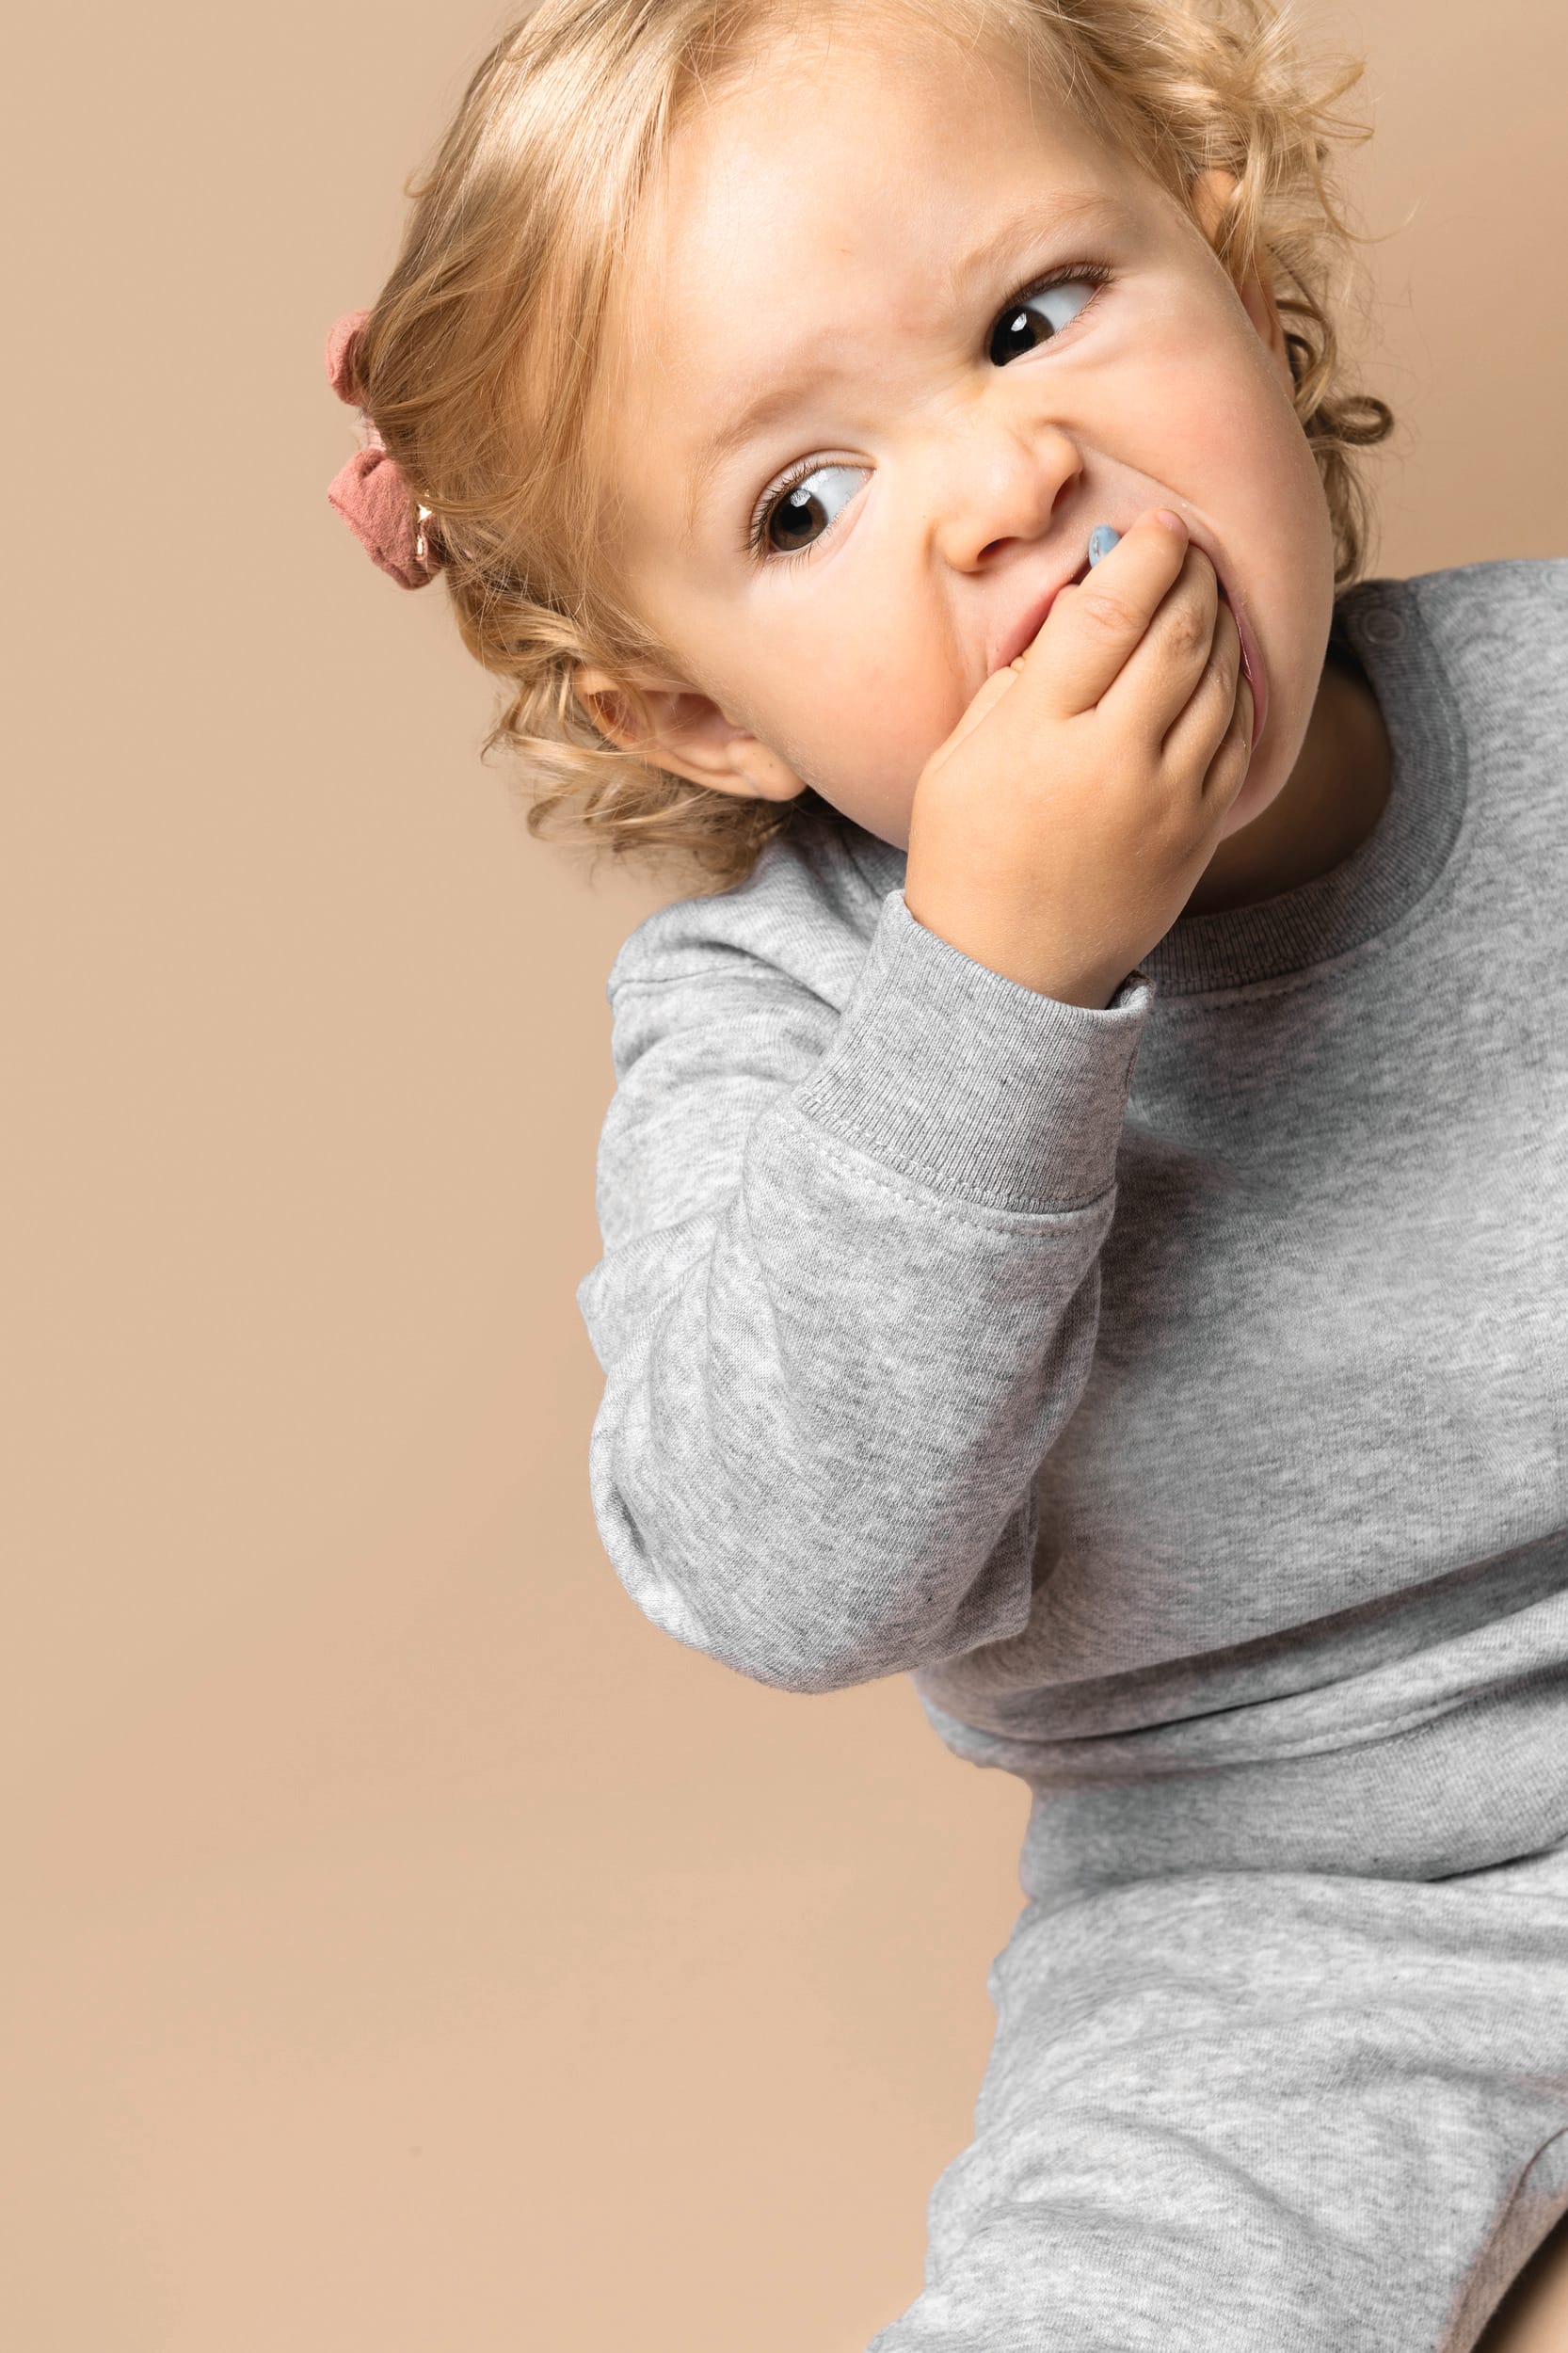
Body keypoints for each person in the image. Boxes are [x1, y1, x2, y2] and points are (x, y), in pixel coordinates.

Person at [320, 2, 1568, 2344]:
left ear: (1239, 292)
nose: (1004, 479)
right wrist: (999, 979)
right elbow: (778, 1571)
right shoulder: (780, 1021)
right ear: (695, 711)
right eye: (802, 503)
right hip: (1247, 1927)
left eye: (1030, 318)